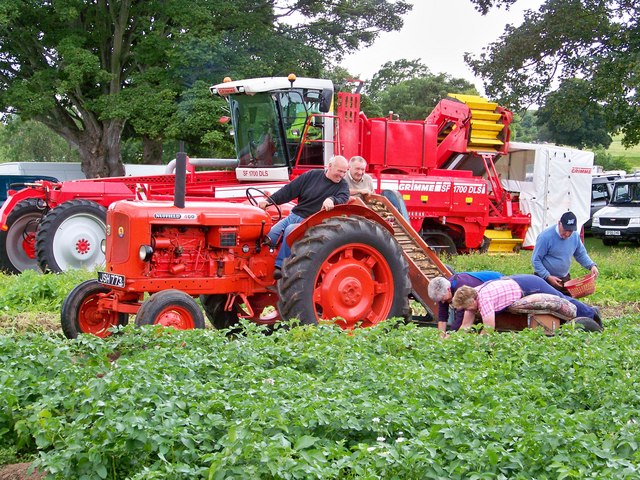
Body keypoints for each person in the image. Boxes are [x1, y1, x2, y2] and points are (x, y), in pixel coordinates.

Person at [259, 155, 350, 279]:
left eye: (344, 172)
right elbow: (289, 190)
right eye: (339, 171)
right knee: (267, 238)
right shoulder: (312, 175)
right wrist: (269, 201)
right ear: (329, 167)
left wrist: (332, 199)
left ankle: (280, 268)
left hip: (311, 222)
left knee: (290, 230)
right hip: (293, 215)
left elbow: (343, 198)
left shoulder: (342, 186)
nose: (342, 175)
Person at [452, 274, 601, 331]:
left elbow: (488, 328)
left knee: (561, 298)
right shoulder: (471, 297)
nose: (469, 310)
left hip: (529, 285)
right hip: (514, 282)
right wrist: (456, 340)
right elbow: (465, 326)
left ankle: (591, 312)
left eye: (468, 307)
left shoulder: (483, 299)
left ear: (472, 300)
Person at [532, 211, 599, 293]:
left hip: (564, 279)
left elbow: (580, 254)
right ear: (559, 223)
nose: (567, 234)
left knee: (569, 303)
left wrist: (592, 265)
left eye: (570, 231)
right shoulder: (545, 237)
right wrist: (547, 276)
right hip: (544, 279)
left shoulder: (574, 236)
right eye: (565, 230)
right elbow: (536, 260)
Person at [428, 271, 503, 334]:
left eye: (443, 299)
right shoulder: (443, 291)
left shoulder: (461, 288)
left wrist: (450, 335)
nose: (442, 302)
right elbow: (442, 315)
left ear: (448, 290)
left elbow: (460, 318)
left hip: (498, 281)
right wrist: (441, 336)